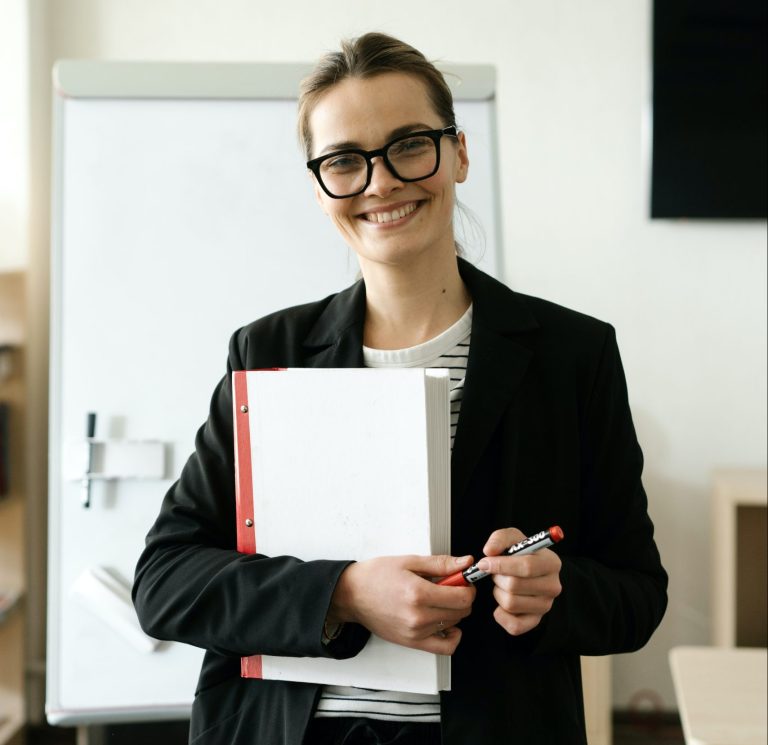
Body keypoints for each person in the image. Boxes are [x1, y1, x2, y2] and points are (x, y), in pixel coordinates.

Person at [133, 32, 667, 745]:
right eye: (345, 161)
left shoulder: (573, 354)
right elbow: (166, 581)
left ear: (459, 153)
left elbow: (637, 593)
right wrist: (344, 592)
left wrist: (554, 588)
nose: (380, 182)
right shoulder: (267, 353)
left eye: (410, 144)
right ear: (320, 186)